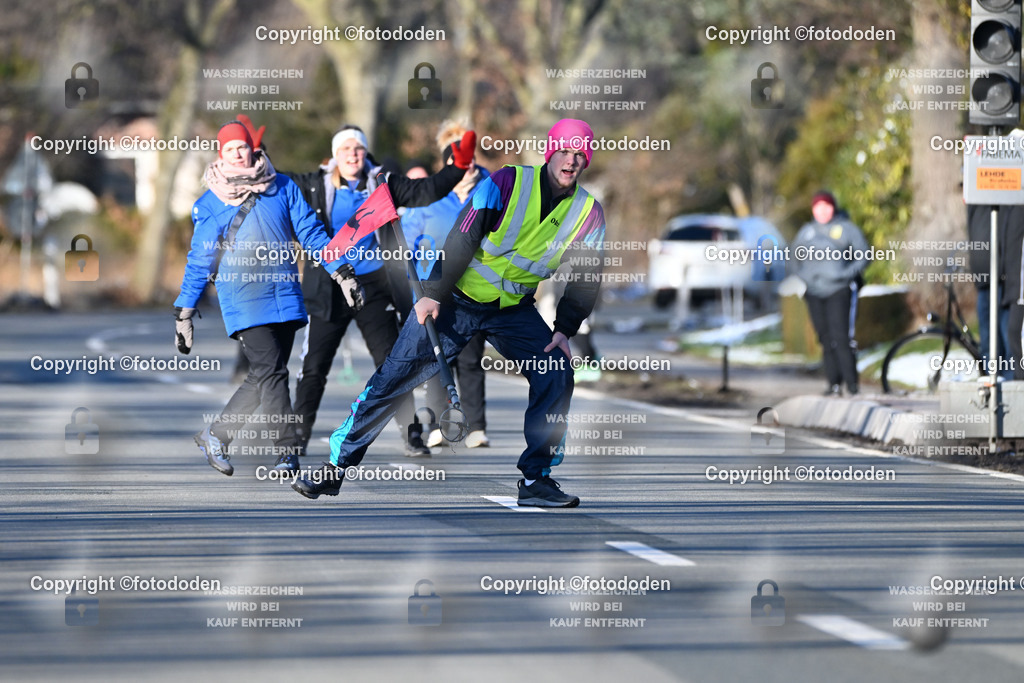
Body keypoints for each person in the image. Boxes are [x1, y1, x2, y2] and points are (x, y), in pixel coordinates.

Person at [291, 118, 606, 508]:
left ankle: (537, 479)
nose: (571, 160)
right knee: (394, 377)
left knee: (557, 372)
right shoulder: (507, 182)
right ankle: (335, 467)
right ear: (550, 150)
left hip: (512, 310)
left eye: (580, 154)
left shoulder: (588, 212)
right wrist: (435, 295)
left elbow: (588, 275)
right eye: (565, 150)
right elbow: (464, 236)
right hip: (454, 298)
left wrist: (565, 328)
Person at [174, 119, 360, 476]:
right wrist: (184, 312)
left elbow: (311, 233)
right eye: (230, 149)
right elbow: (200, 260)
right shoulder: (210, 203)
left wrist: (342, 273)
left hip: (286, 295)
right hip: (243, 298)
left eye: (243, 146)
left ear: (253, 148)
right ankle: (287, 451)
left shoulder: (283, 186)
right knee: (272, 372)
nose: (239, 153)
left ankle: (216, 434)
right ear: (221, 154)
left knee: (264, 376)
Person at [287, 125, 476, 458]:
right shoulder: (315, 184)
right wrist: (253, 156)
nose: (352, 155)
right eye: (345, 149)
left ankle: (411, 436)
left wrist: (456, 168)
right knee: (314, 366)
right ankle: (297, 438)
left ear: (365, 152)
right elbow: (276, 183)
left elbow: (427, 190)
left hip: (375, 285)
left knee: (392, 365)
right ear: (335, 155)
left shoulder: (383, 183)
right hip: (330, 284)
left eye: (358, 149)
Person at [401, 119, 492, 448]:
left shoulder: (491, 189)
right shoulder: (432, 197)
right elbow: (408, 243)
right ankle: (441, 423)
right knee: (441, 355)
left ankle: (477, 426)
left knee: (471, 355)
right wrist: (417, 289)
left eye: (469, 160)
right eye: (456, 161)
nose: (465, 167)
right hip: (435, 286)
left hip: (478, 285)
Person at [790, 190, 869, 396]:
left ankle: (852, 385)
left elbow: (863, 255)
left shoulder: (846, 229)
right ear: (813, 209)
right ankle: (833, 384)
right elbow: (793, 258)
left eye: (827, 206)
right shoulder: (807, 232)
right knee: (825, 339)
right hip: (815, 293)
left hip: (839, 291)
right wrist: (804, 278)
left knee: (841, 337)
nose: (822, 211)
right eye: (818, 206)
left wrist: (846, 275)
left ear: (833, 207)